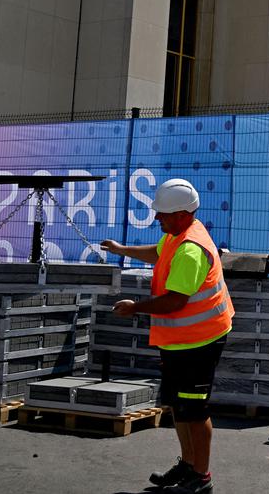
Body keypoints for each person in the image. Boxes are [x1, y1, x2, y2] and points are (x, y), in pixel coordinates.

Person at [100, 179, 234, 494]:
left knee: (195, 410)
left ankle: (201, 478)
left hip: (200, 342)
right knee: (178, 405)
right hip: (181, 341)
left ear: (182, 213)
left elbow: (175, 301)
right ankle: (189, 466)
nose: (157, 218)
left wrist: (135, 308)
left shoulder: (190, 249)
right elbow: (157, 253)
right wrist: (123, 250)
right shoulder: (176, 236)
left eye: (162, 214)